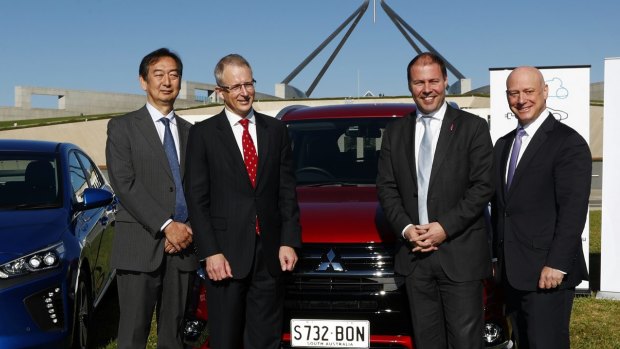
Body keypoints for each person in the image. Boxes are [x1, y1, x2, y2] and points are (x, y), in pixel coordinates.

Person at [377, 52, 493, 349]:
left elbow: (482, 187)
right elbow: (387, 188)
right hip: (415, 258)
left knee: (465, 342)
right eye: (419, 82)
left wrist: (444, 227)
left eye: (433, 81)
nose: (426, 88)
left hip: (459, 256)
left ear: (445, 83)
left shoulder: (473, 128)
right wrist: (405, 228)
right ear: (410, 86)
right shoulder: (394, 132)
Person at [185, 53, 302, 349]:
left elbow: (286, 191)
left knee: (265, 340)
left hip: (270, 255)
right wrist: (210, 252)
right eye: (235, 86)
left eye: (248, 84)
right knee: (225, 340)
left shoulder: (276, 131)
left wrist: (289, 241)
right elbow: (197, 200)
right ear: (220, 92)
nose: (244, 92)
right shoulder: (203, 135)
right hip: (225, 257)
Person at [492, 66, 591, 349]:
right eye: (514, 93)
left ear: (545, 92)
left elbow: (573, 210)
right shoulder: (503, 144)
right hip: (512, 275)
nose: (521, 99)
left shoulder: (567, 143)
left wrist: (557, 264)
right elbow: (501, 208)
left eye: (528, 91)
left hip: (548, 275)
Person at [105, 47, 198, 349]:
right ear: (143, 81)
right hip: (139, 247)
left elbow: (199, 188)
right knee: (133, 335)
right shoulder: (122, 128)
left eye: (174, 75)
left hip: (183, 247)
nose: (167, 81)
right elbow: (124, 183)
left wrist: (186, 228)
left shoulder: (192, 133)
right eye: (158, 74)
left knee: (174, 336)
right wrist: (166, 224)